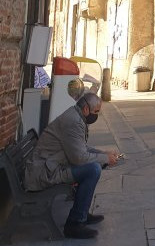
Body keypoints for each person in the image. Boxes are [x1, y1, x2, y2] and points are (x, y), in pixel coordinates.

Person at [24, 92, 118, 239]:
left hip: (51, 166)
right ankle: (74, 223)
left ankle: (82, 213)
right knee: (93, 169)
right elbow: (79, 158)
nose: (97, 115)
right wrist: (104, 159)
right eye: (96, 112)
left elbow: (81, 148)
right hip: (45, 172)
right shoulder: (73, 121)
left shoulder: (75, 116)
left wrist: (103, 154)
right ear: (86, 109)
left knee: (95, 165)